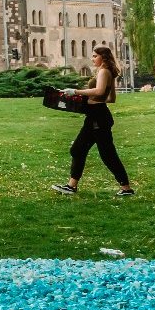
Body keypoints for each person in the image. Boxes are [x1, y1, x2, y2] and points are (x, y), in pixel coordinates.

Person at [52, 47, 136, 197]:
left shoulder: (104, 71)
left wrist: (76, 92)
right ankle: (72, 186)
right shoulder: (107, 71)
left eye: (94, 56)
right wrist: (86, 100)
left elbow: (98, 91)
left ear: (103, 57)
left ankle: (126, 188)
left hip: (98, 118)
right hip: (96, 115)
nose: (92, 58)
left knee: (107, 154)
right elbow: (111, 98)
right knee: (78, 150)